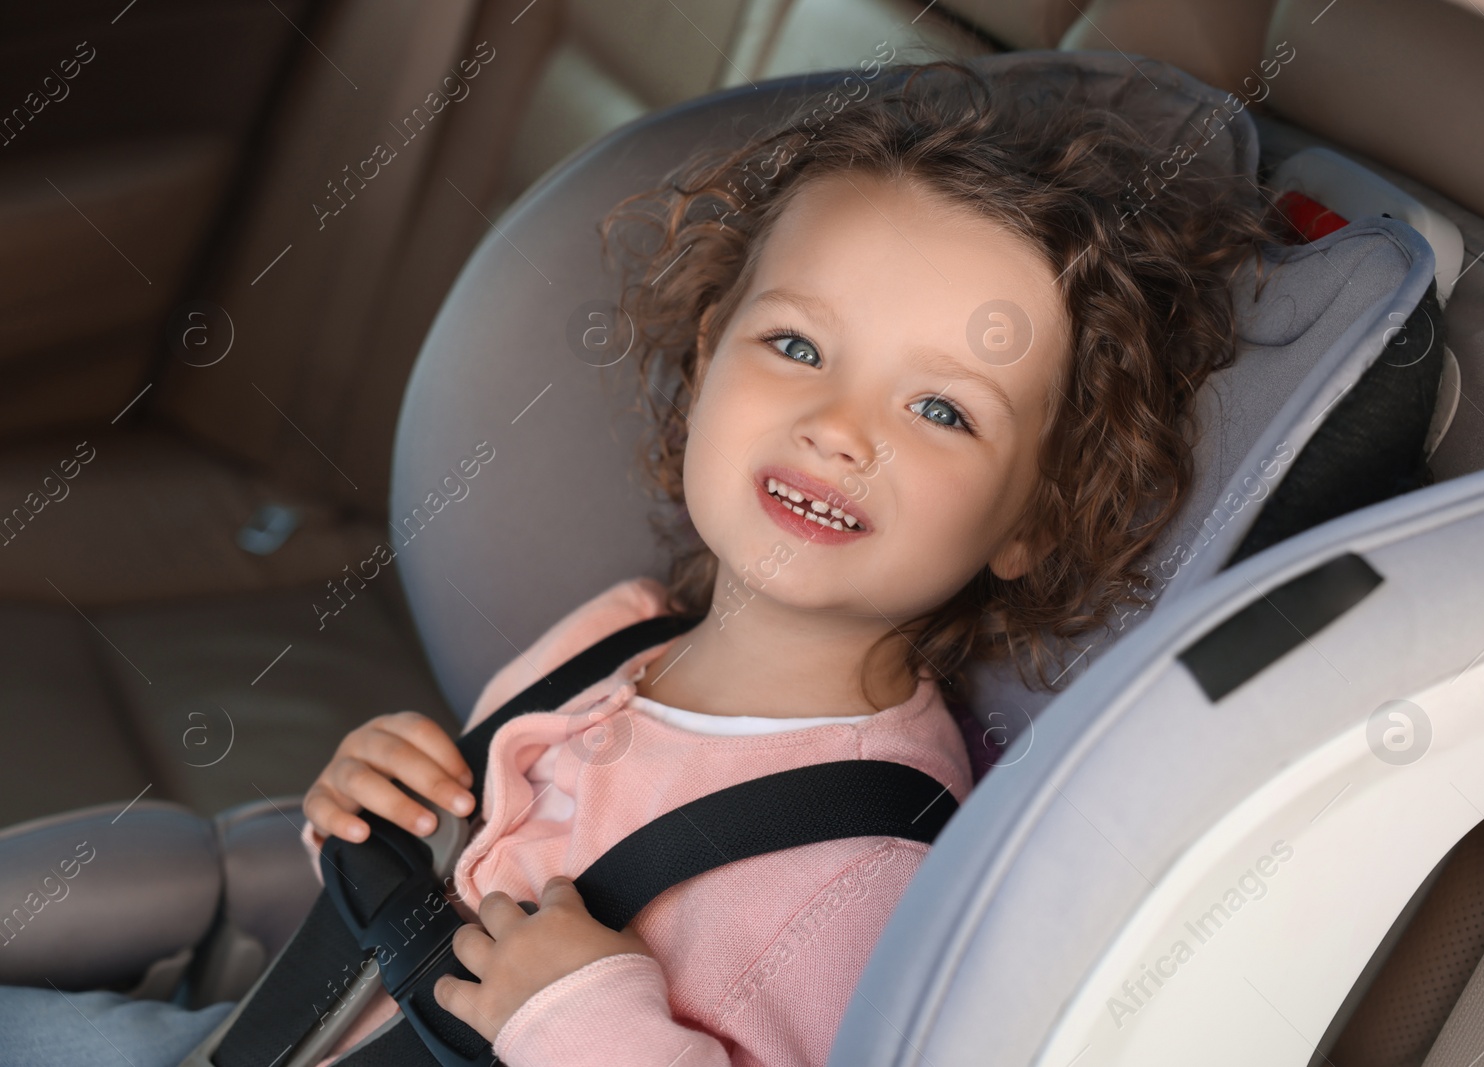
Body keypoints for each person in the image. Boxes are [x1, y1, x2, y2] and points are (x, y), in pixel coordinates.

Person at [0, 56, 1274, 1067]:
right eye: (795, 346)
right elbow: (468, 869)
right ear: (708, 355)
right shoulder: (613, 634)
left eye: (941, 410)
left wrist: (586, 1020)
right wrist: (383, 802)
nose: (840, 426)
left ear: (1030, 521)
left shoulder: (866, 869)